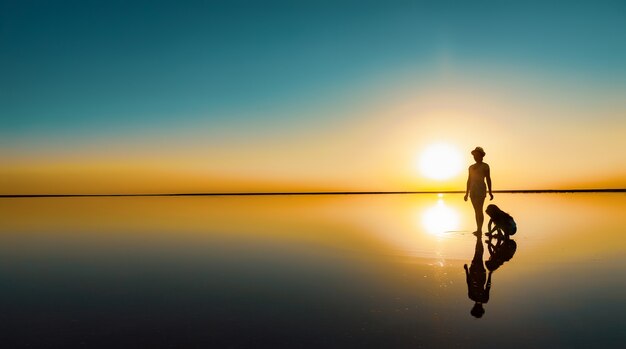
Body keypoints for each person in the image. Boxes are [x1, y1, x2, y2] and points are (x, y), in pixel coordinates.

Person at [464, 146, 493, 236]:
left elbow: (488, 179)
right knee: (476, 211)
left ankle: (479, 230)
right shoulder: (471, 167)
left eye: (477, 155)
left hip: (481, 189)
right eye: (474, 156)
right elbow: (469, 180)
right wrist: (466, 193)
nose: (475, 157)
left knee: (479, 210)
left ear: (481, 156)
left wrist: (490, 192)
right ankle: (478, 229)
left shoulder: (485, 166)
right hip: (473, 191)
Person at [464, 235, 492, 318]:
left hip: (480, 276)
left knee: (478, 255)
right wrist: (466, 271)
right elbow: (469, 283)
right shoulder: (472, 297)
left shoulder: (484, 299)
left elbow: (488, 286)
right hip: (476, 274)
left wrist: (490, 275)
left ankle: (479, 239)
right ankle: (479, 239)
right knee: (478, 255)